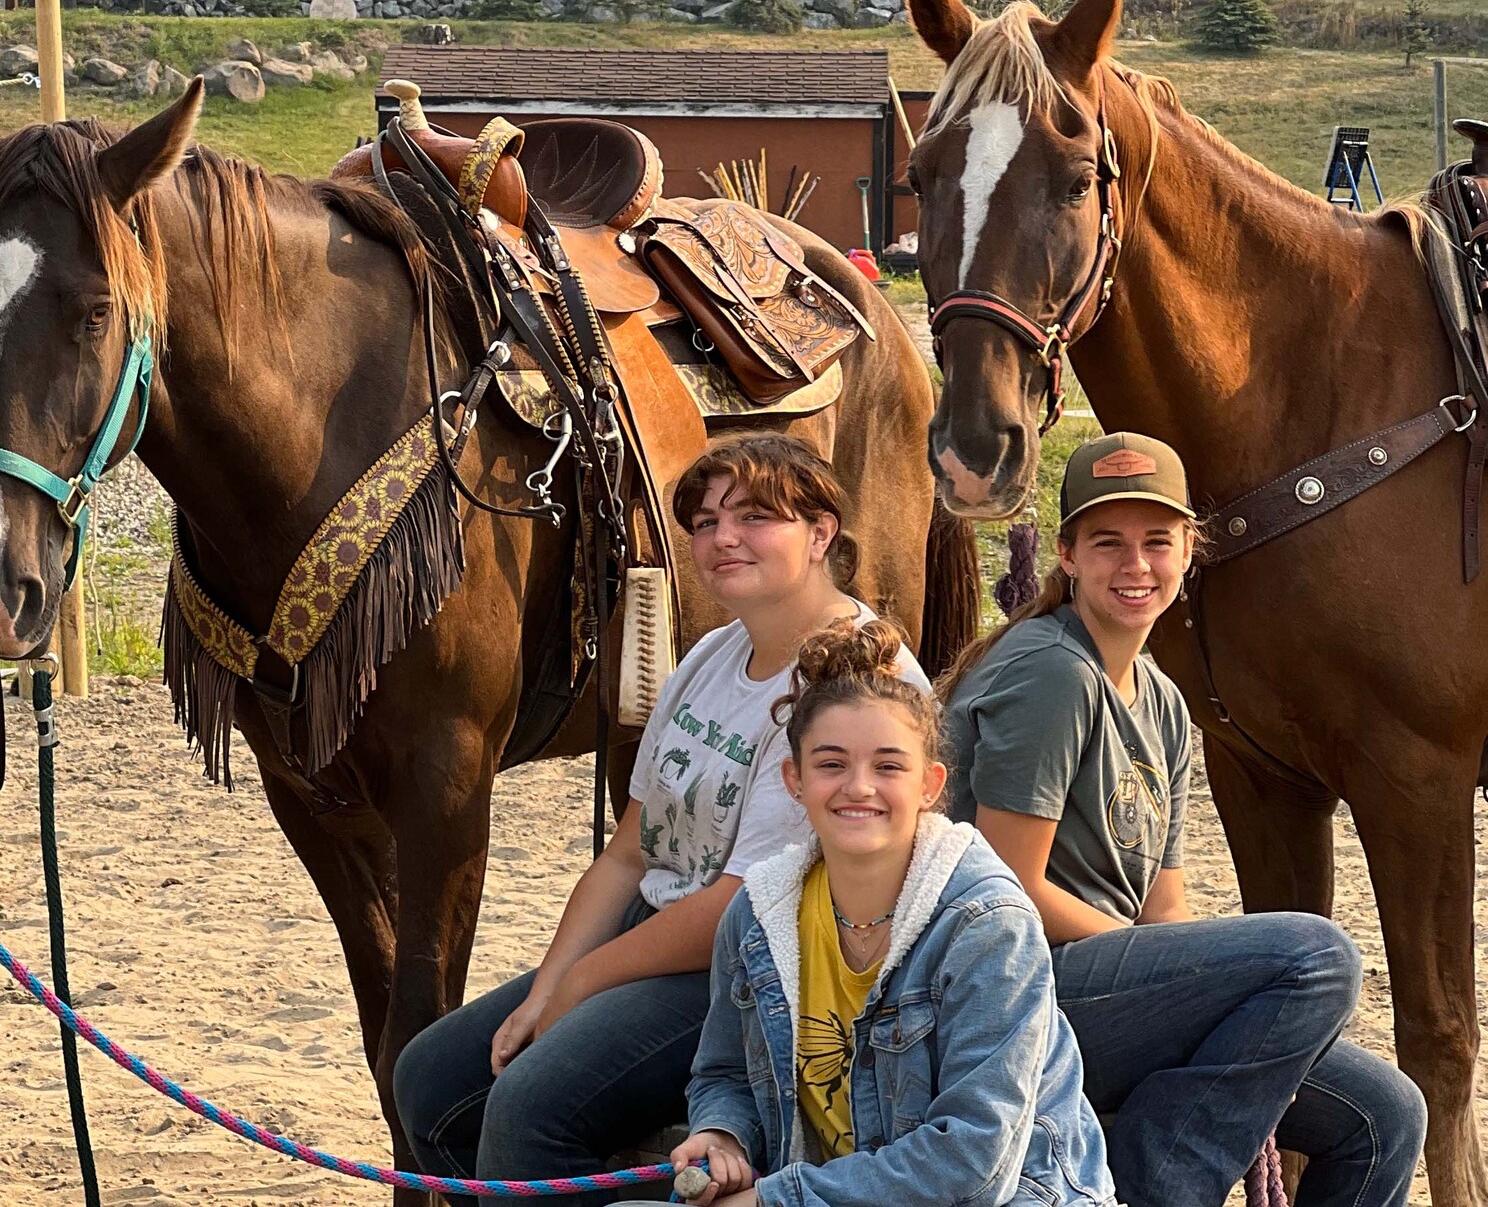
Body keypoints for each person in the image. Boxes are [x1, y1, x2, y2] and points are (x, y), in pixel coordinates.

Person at [393, 433, 929, 1206]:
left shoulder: (847, 681)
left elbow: (751, 899)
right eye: (705, 523)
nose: (723, 539)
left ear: (821, 534)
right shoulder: (712, 655)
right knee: (431, 1079)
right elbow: (627, 855)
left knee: (528, 1107)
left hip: (761, 961)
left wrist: (587, 980)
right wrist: (551, 986)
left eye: (754, 517)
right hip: (661, 926)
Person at [940, 431, 1427, 1207]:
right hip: (1010, 987)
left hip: (1104, 984)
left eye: (1156, 542)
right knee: (1315, 956)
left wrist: (1200, 982)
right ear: (1066, 555)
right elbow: (1008, 887)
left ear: (1188, 551)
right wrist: (1201, 980)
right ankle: (1152, 1189)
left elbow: (1166, 902)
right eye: (1108, 544)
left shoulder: (1162, 698)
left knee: (1385, 1113)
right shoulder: (1053, 673)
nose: (1135, 566)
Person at [619, 618, 1115, 1207]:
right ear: (795, 781)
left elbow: (975, 1163)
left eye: (888, 766)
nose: (859, 787)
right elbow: (725, 1072)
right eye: (831, 764)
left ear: (930, 785)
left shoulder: (988, 924)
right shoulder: (758, 913)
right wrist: (722, 1135)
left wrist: (774, 1200)